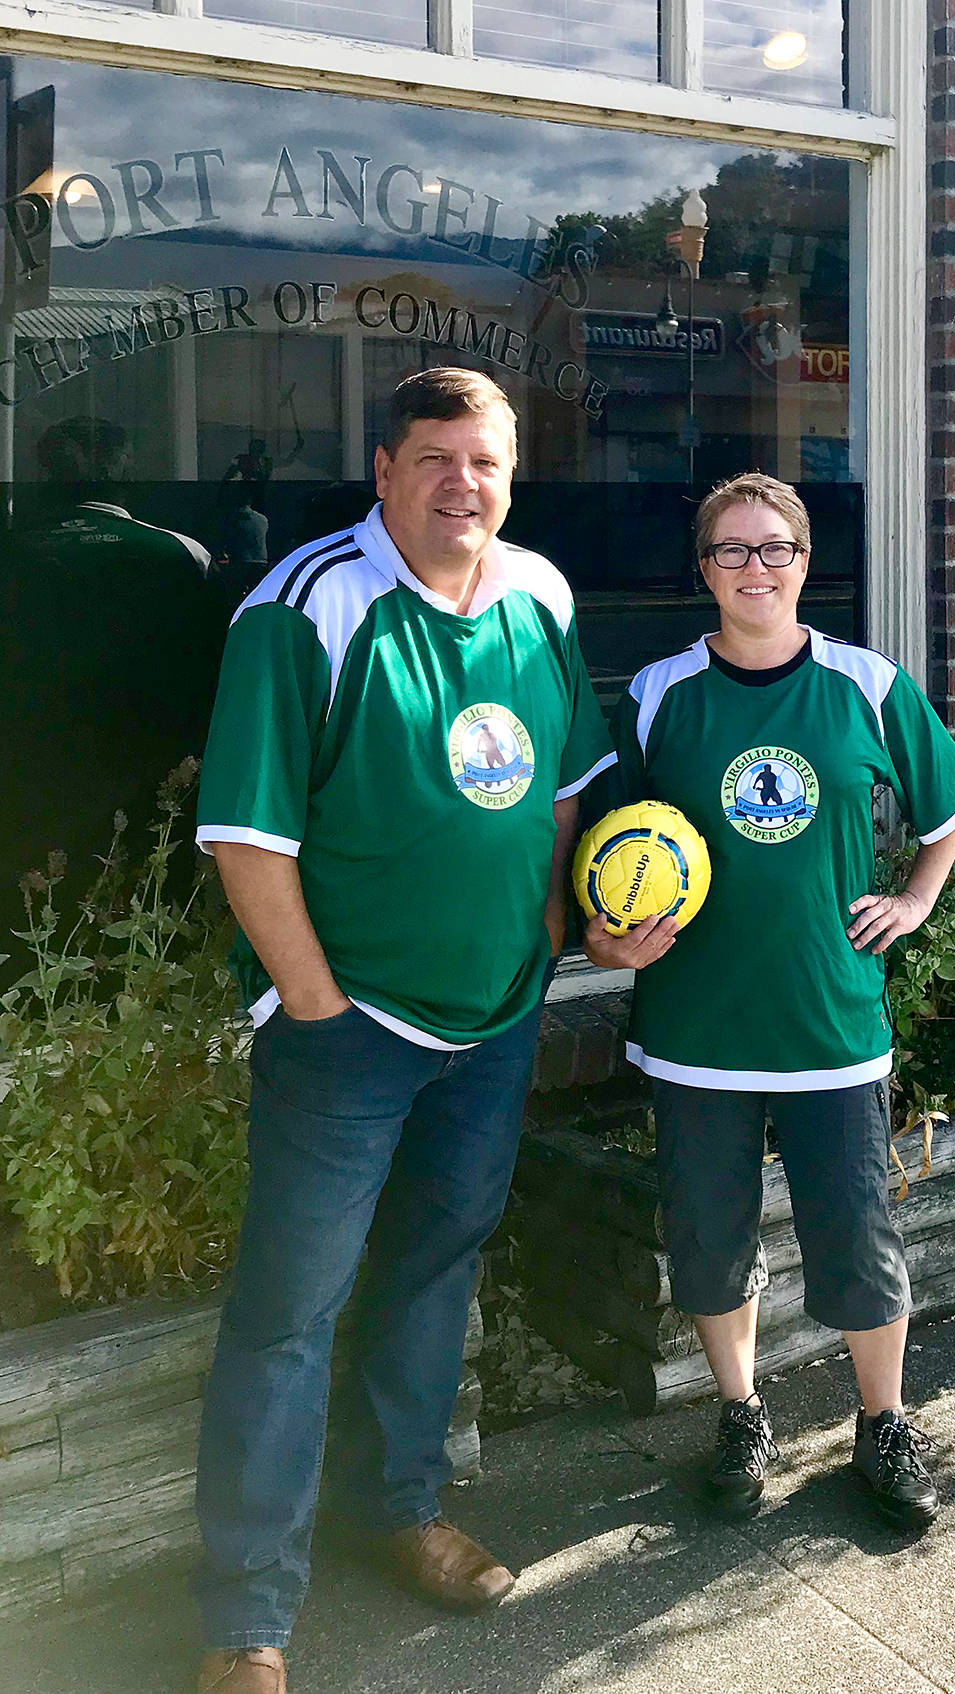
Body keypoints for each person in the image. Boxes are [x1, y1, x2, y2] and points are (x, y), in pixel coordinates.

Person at [191, 368, 614, 1694]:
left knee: (435, 1271)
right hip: (350, 1034)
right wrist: (315, 1003)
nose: (461, 484)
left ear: (509, 476)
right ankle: (247, 1622)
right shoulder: (308, 605)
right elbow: (246, 841)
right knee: (287, 1315)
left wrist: (547, 929)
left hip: (492, 1023)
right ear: (384, 469)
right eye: (434, 458)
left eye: (483, 462)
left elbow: (560, 790)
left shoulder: (540, 598)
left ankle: (402, 1511)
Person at [586, 472, 955, 1529]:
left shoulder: (865, 682)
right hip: (695, 1029)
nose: (752, 568)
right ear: (702, 566)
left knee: (856, 1236)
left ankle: (882, 1419)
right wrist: (602, 929)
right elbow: (599, 838)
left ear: (804, 563)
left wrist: (914, 896)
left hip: (828, 1023)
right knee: (708, 1239)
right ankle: (740, 1411)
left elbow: (950, 801)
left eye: (773, 549)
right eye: (729, 550)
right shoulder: (660, 691)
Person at [0, 417, 223, 982]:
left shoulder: (11, 555)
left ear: (44, 475)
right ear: (125, 473)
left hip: (27, 773)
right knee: (142, 919)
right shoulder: (179, 555)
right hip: (148, 771)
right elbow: (213, 675)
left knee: (34, 922)